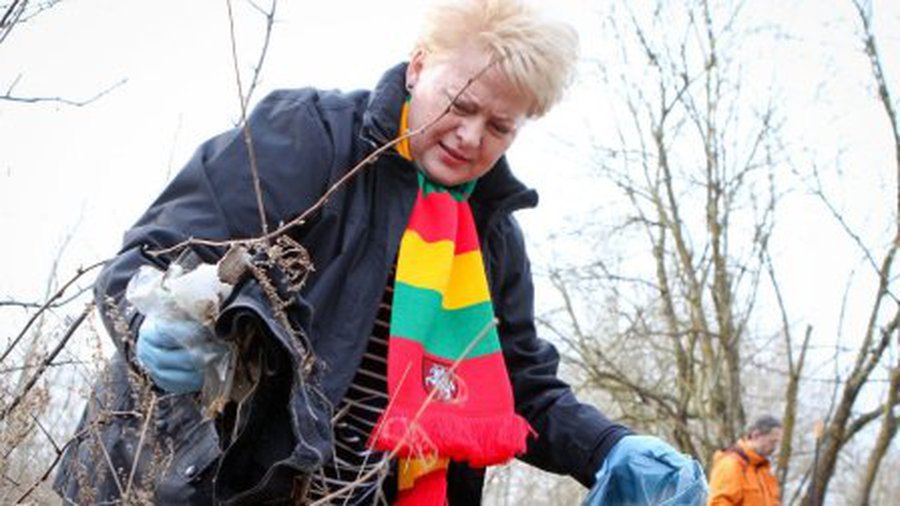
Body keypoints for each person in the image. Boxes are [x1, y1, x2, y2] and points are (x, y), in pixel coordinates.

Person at [54, 1, 705, 504]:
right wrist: (151, 326)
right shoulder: (306, 138)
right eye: (460, 103)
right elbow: (150, 256)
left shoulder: (492, 236)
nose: (470, 136)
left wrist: (612, 447)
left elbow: (521, 387)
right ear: (419, 64)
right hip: (176, 476)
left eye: (500, 126)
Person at [708, 415, 783, 506]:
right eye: (772, 442)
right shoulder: (731, 464)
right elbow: (719, 502)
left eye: (777, 443)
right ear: (756, 435)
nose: (774, 448)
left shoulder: (764, 471)